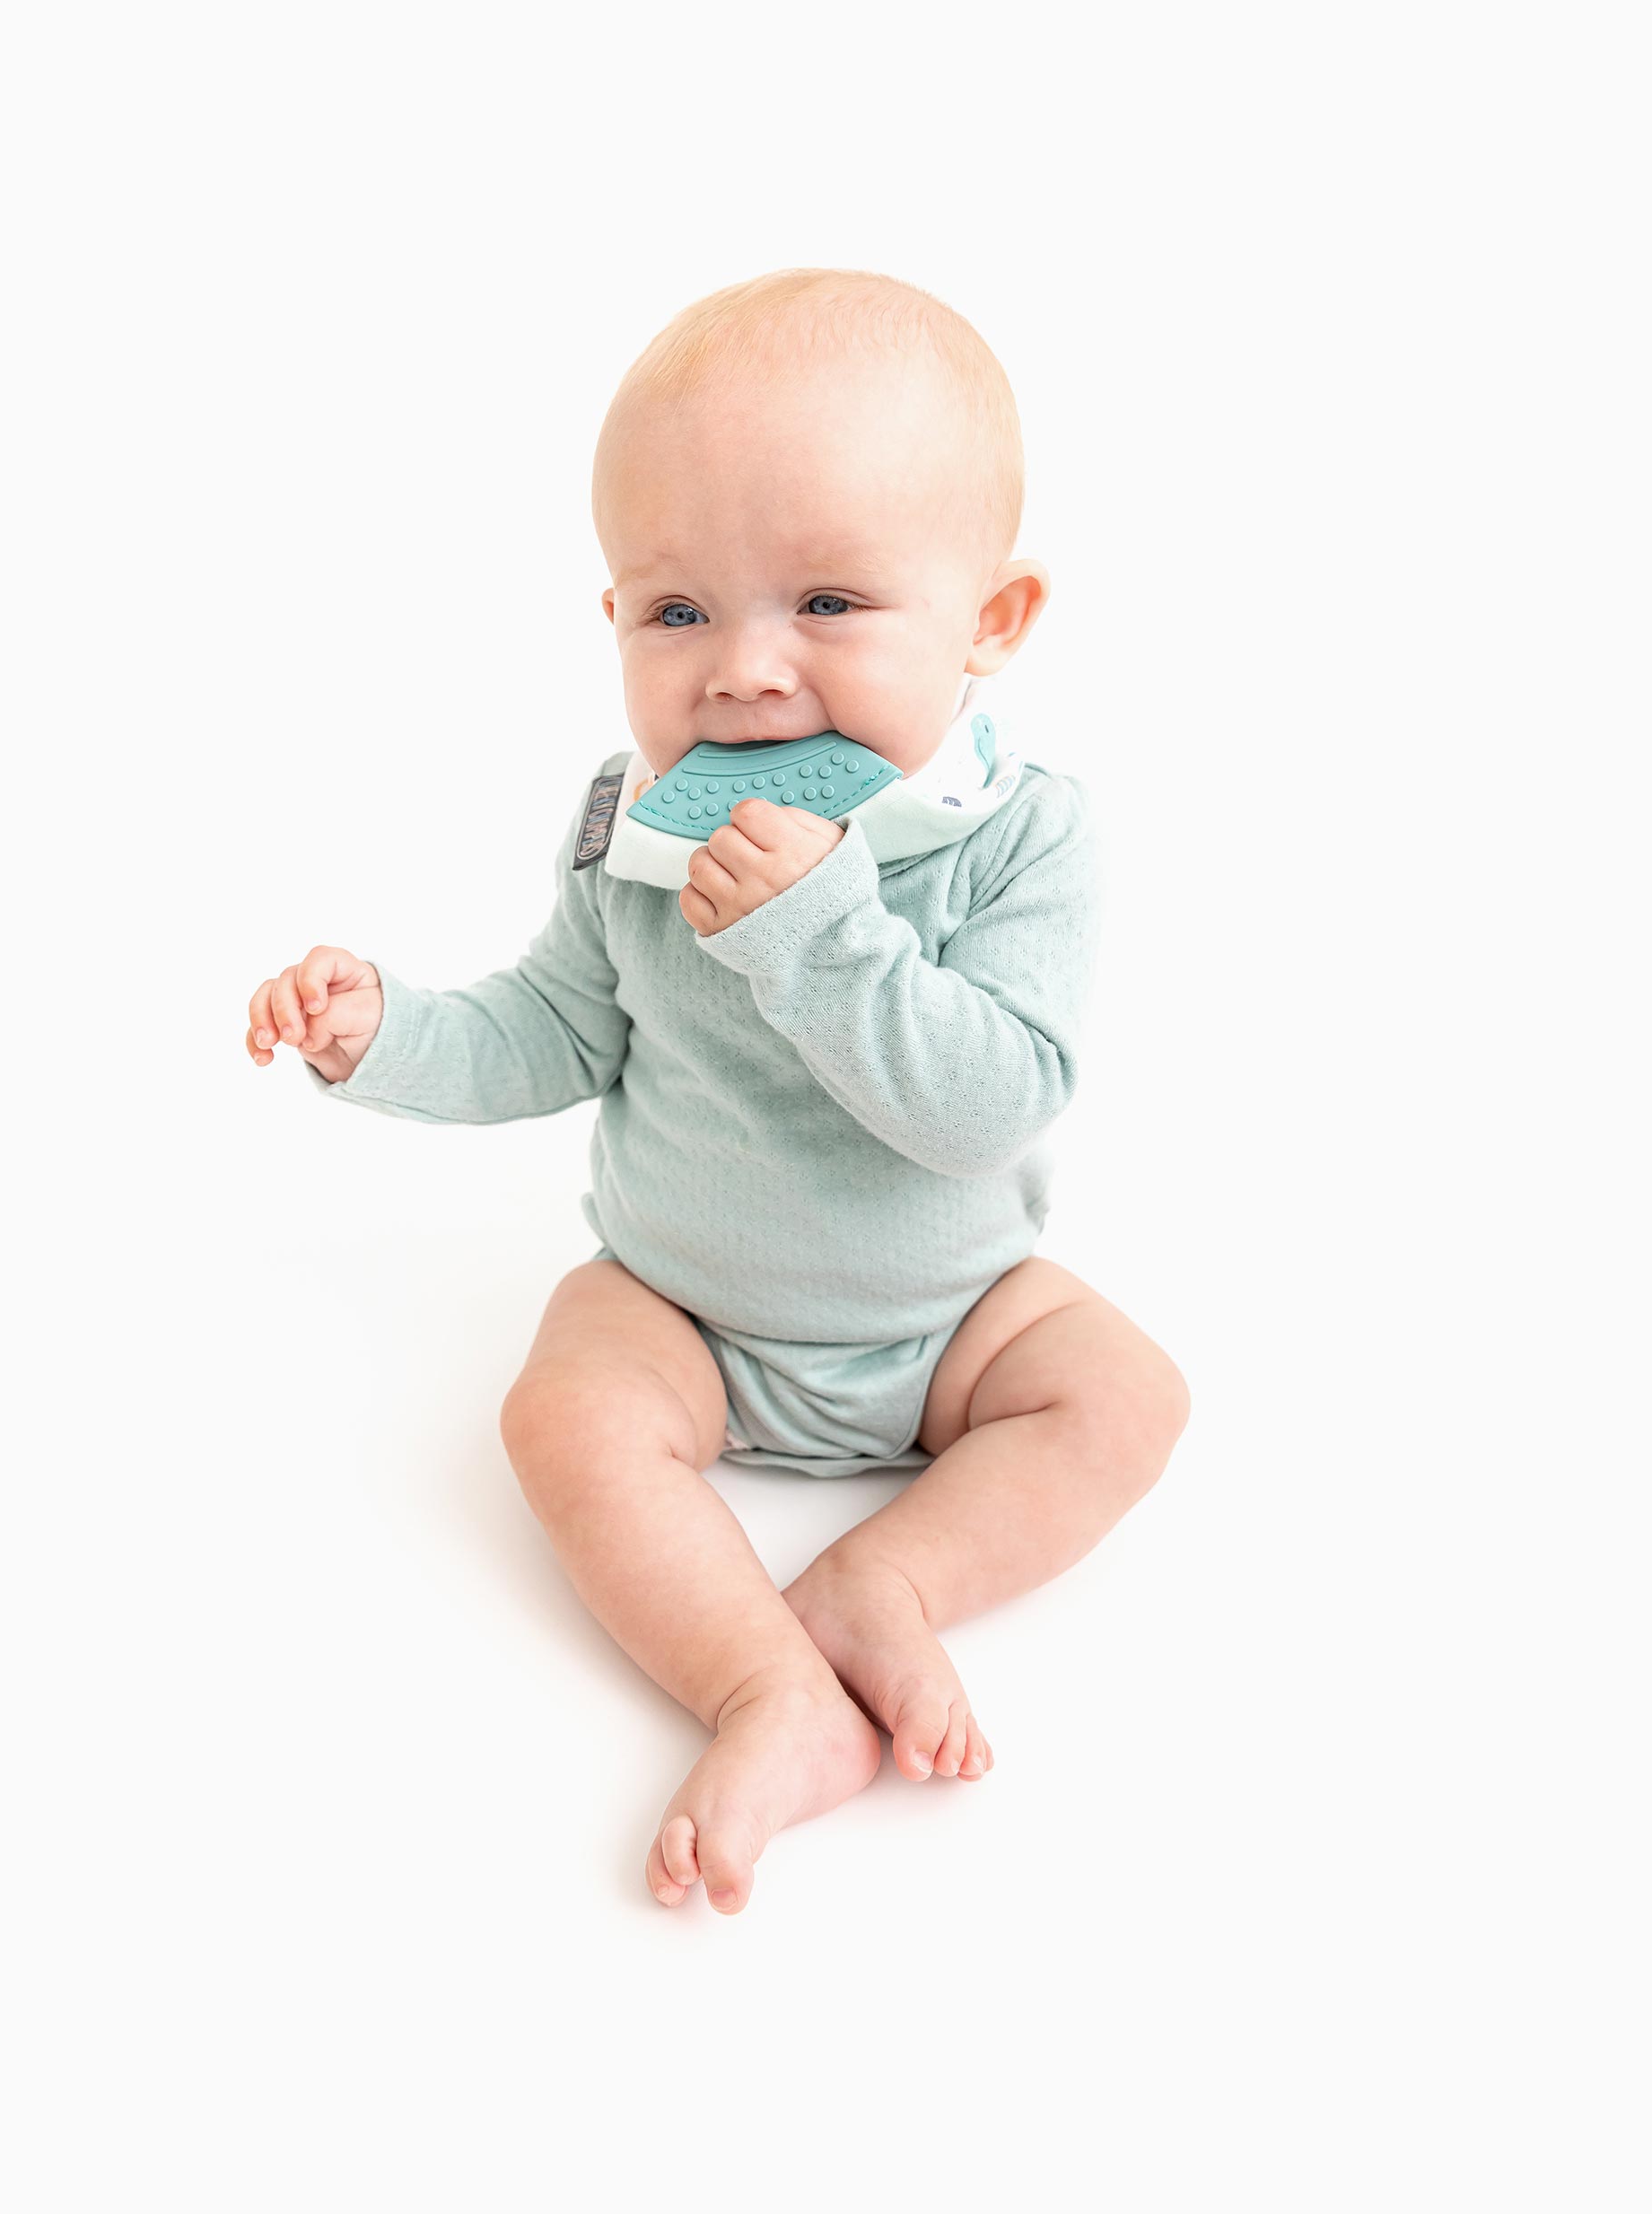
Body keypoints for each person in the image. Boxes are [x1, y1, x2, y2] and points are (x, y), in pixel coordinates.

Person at [244, 267, 1190, 1915]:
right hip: (685, 1305)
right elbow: (556, 1031)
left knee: (1127, 1397)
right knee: (560, 1409)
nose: (747, 673)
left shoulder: (1025, 832)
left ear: (993, 619)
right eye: (676, 612)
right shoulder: (633, 821)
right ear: (610, 617)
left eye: (828, 602)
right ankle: (768, 1693)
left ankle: (878, 1583)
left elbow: (991, 1104)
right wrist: (377, 1032)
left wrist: (824, 934)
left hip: (954, 1315)